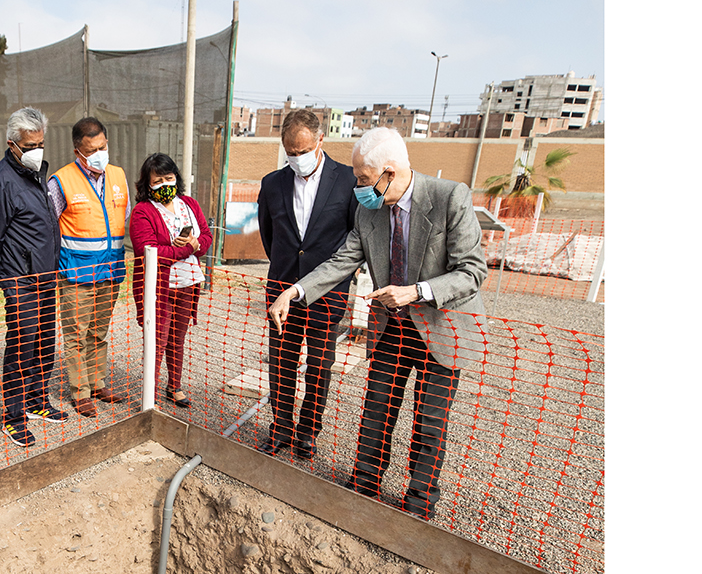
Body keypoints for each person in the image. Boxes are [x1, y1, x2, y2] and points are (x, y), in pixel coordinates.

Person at [268, 127, 489, 521]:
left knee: (430, 420)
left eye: (363, 178)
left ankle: (419, 502)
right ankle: (364, 483)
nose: (357, 187)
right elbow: (342, 261)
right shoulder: (369, 210)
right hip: (391, 326)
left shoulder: (449, 197)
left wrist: (416, 291)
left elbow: (472, 271)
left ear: (389, 172)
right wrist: (295, 291)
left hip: (441, 326)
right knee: (377, 409)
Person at [256, 109, 358, 460]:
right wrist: (286, 271)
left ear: (320, 141)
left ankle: (308, 432)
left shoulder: (347, 181)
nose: (297, 158)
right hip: (281, 291)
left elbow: (353, 240)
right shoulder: (273, 184)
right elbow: (270, 237)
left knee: (318, 366)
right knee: (281, 363)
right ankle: (281, 427)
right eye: (290, 152)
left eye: (302, 151)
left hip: (327, 295)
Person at [0, 106, 69, 447]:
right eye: (30, 146)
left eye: (41, 144)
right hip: (20, 279)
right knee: (21, 345)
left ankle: (37, 401)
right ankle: (13, 416)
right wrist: (8, 280)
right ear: (12, 144)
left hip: (46, 275)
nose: (37, 151)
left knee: (44, 343)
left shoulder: (37, 175)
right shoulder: (1, 181)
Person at [47, 117, 133, 417]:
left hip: (110, 270)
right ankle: (80, 392)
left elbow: (124, 217)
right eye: (91, 150)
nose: (99, 154)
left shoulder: (118, 175)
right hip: (77, 273)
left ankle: (97, 383)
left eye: (103, 147)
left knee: (99, 332)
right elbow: (49, 227)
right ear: (77, 151)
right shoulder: (60, 182)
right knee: (76, 336)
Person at [126, 152, 213, 408]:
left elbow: (206, 237)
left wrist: (196, 243)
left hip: (188, 283)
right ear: (147, 184)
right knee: (157, 340)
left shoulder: (190, 204)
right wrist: (187, 249)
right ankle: (149, 394)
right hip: (158, 288)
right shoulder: (142, 212)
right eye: (158, 181)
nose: (165, 184)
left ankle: (174, 385)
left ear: (176, 178)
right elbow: (148, 251)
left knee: (177, 339)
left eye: (168, 178)